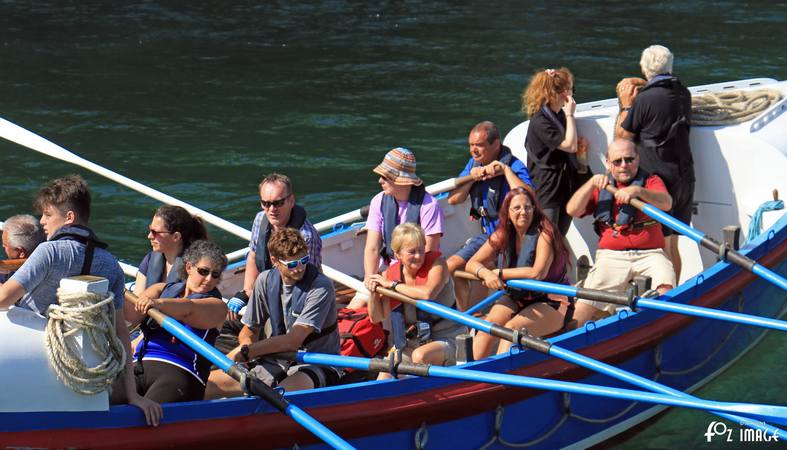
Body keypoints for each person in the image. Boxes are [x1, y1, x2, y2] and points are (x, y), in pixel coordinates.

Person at [0, 175, 162, 426]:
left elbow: (2, 299)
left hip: (28, 357)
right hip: (86, 371)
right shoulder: (110, 264)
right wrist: (134, 396)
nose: (41, 221)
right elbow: (121, 334)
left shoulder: (49, 251)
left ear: (69, 218)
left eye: (47, 214)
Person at [206, 228, 341, 396]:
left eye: (304, 260)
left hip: (316, 362)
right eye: (292, 264)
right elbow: (249, 329)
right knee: (205, 386)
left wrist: (247, 352)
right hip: (274, 360)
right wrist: (245, 346)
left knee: (277, 396)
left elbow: (293, 341)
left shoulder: (321, 287)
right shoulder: (265, 280)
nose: (299, 268)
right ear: (275, 261)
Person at [566, 139, 676, 326]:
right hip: (612, 256)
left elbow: (666, 203)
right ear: (608, 163)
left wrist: (638, 191)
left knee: (666, 288)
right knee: (585, 303)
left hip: (650, 254)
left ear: (638, 159)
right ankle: (568, 340)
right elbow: (572, 210)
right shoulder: (601, 185)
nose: (624, 165)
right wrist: (590, 184)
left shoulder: (650, 181)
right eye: (617, 161)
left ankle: (659, 328)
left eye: (629, 159)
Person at [615, 44, 694, 280]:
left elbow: (622, 139)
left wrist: (627, 105)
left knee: (661, 246)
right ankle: (675, 291)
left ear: (644, 68)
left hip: (659, 182)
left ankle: (665, 298)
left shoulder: (646, 99)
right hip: (684, 176)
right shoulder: (683, 93)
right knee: (673, 244)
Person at [115, 240, 227, 404]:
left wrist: (157, 304)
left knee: (148, 414)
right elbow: (132, 314)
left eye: (215, 274)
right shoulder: (161, 289)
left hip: (181, 372)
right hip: (138, 365)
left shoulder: (217, 306)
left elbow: (189, 309)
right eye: (203, 271)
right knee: (101, 404)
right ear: (189, 267)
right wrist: (115, 288)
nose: (209, 279)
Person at [219, 173, 322, 351]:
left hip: (294, 294)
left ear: (291, 201)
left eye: (278, 203)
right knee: (225, 321)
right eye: (266, 203)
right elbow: (253, 255)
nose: (272, 209)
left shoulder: (306, 237)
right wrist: (247, 292)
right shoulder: (261, 219)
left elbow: (305, 278)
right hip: (267, 287)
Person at [466, 187, 569, 359]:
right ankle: (468, 378)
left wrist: (499, 272)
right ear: (507, 212)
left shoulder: (545, 234)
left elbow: (537, 273)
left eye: (528, 207)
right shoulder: (502, 234)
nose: (523, 212)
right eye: (517, 208)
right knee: (486, 328)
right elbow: (471, 263)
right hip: (517, 296)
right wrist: (485, 273)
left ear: (534, 209)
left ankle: (499, 378)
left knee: (511, 330)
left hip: (552, 300)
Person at [447, 121, 533, 311]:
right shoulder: (473, 163)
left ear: (496, 145)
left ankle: (483, 312)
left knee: (477, 265)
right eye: (470, 145)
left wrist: (505, 171)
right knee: (451, 266)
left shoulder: (514, 164)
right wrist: (472, 177)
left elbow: (529, 196)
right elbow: (454, 199)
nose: (473, 150)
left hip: (509, 236)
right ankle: (465, 318)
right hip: (487, 236)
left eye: (479, 145)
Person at [365, 223, 467, 377]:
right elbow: (376, 317)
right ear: (397, 254)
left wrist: (392, 286)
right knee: (386, 370)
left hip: (449, 338)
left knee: (420, 356)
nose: (419, 256)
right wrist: (373, 293)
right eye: (412, 252)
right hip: (411, 344)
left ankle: (422, 398)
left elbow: (428, 294)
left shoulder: (438, 264)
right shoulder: (389, 275)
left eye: (421, 250)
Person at [349, 147, 444, 308]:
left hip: (417, 271)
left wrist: (392, 281)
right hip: (387, 269)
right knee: (356, 306)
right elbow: (372, 248)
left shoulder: (429, 206)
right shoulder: (378, 201)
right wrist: (370, 278)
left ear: (402, 180)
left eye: (385, 177)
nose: (380, 181)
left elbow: (427, 253)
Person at [522, 67, 589, 237]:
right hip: (548, 187)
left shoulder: (556, 115)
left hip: (563, 185)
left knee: (559, 235)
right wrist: (570, 115)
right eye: (571, 90)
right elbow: (570, 145)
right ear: (563, 93)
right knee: (548, 236)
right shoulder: (541, 121)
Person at [133, 205, 208, 296]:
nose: (149, 236)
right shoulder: (149, 259)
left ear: (176, 237)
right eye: (150, 230)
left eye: (155, 232)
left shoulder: (195, 269)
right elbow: (136, 298)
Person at [1, 214, 45, 283]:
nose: (3, 246)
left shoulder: (21, 278)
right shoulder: (51, 258)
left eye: (5, 245)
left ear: (21, 253)